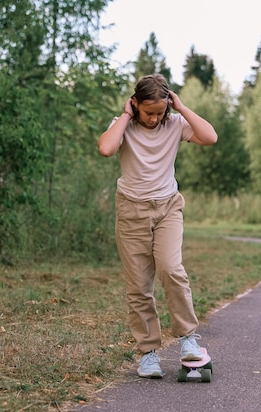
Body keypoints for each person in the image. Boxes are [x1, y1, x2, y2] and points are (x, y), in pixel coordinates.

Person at [97, 73, 218, 378]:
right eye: (147, 112)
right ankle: (148, 353)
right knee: (139, 286)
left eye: (159, 113)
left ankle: (188, 338)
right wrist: (125, 115)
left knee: (170, 268)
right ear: (135, 103)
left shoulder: (175, 123)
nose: (153, 119)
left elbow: (210, 137)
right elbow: (106, 148)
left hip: (167, 208)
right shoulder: (124, 122)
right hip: (131, 211)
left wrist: (180, 106)